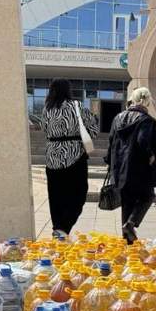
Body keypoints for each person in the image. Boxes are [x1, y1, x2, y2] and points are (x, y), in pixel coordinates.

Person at [40, 79, 99, 240]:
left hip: (52, 156)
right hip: (74, 155)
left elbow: (44, 129)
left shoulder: (47, 109)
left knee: (56, 196)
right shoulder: (76, 106)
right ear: (68, 90)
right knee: (78, 194)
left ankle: (58, 227)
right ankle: (64, 228)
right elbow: (93, 130)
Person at [105, 87, 156, 244]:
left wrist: (109, 162)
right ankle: (131, 223)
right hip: (139, 169)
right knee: (148, 196)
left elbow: (111, 141)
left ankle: (127, 242)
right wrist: (151, 155)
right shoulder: (146, 120)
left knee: (127, 203)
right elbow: (143, 140)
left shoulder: (117, 118)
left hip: (120, 169)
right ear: (147, 101)